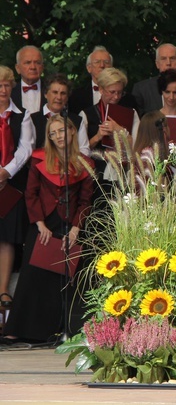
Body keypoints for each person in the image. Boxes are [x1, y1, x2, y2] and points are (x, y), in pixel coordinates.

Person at [1, 115, 94, 344]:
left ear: (72, 131)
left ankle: (54, 331)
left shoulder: (85, 163)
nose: (58, 137)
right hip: (42, 224)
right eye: (52, 134)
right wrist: (40, 223)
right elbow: (30, 194)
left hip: (68, 225)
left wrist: (75, 229)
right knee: (31, 277)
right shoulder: (39, 158)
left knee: (59, 279)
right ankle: (18, 330)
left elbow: (85, 201)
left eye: (61, 131)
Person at [0, 66, 34, 311]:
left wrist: (5, 172)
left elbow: (26, 149)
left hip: (11, 186)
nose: (3, 90)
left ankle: (3, 291)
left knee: (8, 239)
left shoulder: (22, 115)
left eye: (7, 85)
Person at [79, 67, 140, 184]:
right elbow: (81, 151)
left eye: (120, 92)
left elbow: (137, 146)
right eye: (112, 92)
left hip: (125, 172)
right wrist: (97, 137)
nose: (116, 97)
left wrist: (119, 130)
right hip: (96, 174)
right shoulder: (86, 114)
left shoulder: (131, 113)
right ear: (101, 89)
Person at [131, 43, 176, 116]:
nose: (168, 63)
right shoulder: (141, 89)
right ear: (157, 64)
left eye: (172, 58)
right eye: (163, 59)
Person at [30, 75, 90, 156]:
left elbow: (84, 150)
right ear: (45, 94)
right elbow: (29, 150)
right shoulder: (32, 119)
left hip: (70, 166)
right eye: (55, 92)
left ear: (67, 97)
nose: (59, 97)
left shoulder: (77, 120)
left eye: (63, 93)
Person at [12, 45, 44, 114]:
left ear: (42, 67)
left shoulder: (52, 91)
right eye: (28, 62)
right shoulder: (9, 92)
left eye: (37, 63)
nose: (33, 67)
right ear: (18, 68)